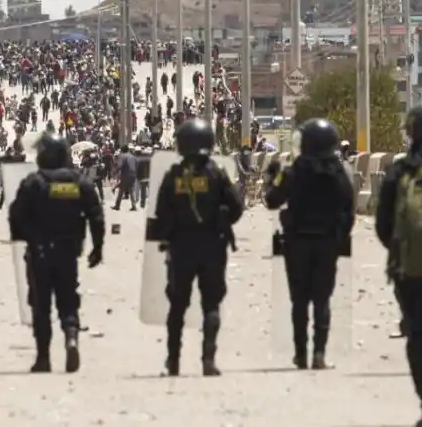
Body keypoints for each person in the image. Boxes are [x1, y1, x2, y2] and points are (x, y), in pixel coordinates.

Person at [9, 132, 105, 373]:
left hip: (40, 252)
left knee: (41, 304)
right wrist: (98, 247)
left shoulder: (34, 183)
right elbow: (96, 215)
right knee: (68, 298)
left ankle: (43, 358)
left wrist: (26, 239)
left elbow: (16, 216)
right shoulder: (79, 183)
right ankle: (71, 337)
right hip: (68, 251)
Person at [155, 118, 243, 377]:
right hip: (212, 246)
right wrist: (221, 221)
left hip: (181, 248)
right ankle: (208, 358)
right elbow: (236, 206)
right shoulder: (216, 173)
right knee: (211, 305)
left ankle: (173, 361)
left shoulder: (173, 176)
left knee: (178, 305)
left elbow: (161, 213)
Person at [265, 118, 354, 370]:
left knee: (300, 300)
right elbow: (348, 211)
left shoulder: (293, 172)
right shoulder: (339, 173)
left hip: (297, 242)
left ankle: (301, 354)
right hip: (327, 243)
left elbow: (272, 200)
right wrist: (338, 239)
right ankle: (319, 355)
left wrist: (272, 179)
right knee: (322, 300)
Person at [375, 105, 422, 424]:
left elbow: (383, 225)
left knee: (417, 335)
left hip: (411, 269)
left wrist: (398, 252)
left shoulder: (399, 172)